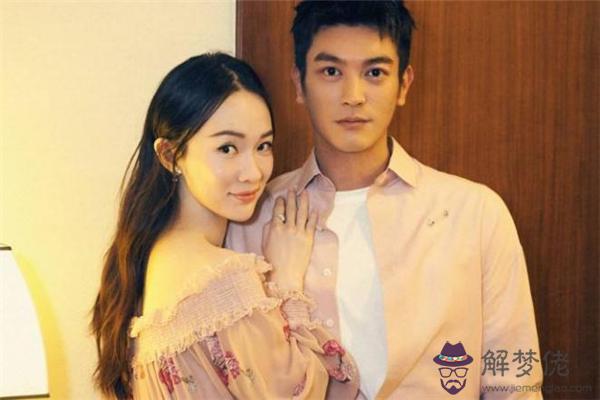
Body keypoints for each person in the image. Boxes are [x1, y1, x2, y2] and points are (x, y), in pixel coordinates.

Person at [227, 1, 543, 398]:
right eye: (331, 72)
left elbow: (515, 385)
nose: (353, 96)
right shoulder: (252, 218)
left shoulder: (475, 214)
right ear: (299, 83)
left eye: (374, 73)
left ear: (404, 84)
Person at [91, 53, 358, 399]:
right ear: (170, 155)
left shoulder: (146, 262)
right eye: (227, 148)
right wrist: (287, 281)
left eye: (263, 146)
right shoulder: (221, 280)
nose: (254, 172)